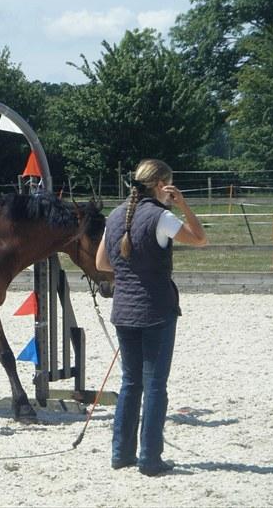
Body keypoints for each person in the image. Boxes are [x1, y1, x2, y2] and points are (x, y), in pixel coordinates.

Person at [95, 158, 207, 476]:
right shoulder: (162, 217)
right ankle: (150, 458)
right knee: (156, 384)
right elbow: (200, 238)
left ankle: (121, 453)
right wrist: (183, 204)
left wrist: (132, 269)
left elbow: (102, 262)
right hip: (156, 310)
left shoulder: (116, 216)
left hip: (123, 311)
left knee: (130, 383)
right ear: (162, 185)